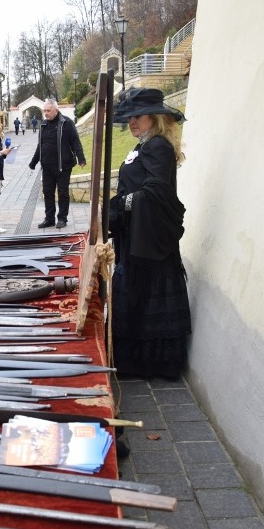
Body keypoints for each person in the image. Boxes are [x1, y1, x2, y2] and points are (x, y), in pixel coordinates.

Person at [108, 87, 191, 379]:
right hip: (137, 234)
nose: (132, 122)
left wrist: (121, 205)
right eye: (129, 117)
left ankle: (150, 364)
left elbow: (157, 191)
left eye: (138, 116)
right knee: (137, 292)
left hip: (150, 240)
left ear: (154, 117)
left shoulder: (157, 146)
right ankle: (136, 361)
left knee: (145, 291)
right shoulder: (142, 146)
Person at [29, 98, 86, 229]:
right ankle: (49, 219)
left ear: (56, 110)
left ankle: (62, 218)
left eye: (48, 110)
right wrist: (33, 162)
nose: (46, 113)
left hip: (63, 166)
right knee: (48, 192)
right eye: (44, 111)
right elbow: (40, 146)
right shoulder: (43, 125)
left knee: (62, 193)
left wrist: (81, 158)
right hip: (47, 166)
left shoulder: (67, 123)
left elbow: (75, 142)